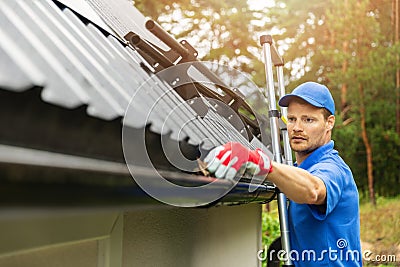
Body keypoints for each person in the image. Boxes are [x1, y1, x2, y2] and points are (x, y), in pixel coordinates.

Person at [204, 82, 362, 266]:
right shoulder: (298, 170)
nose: (296, 128)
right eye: (292, 119)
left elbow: (314, 190)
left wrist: (262, 164)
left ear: (329, 122)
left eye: (308, 120)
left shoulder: (333, 168)